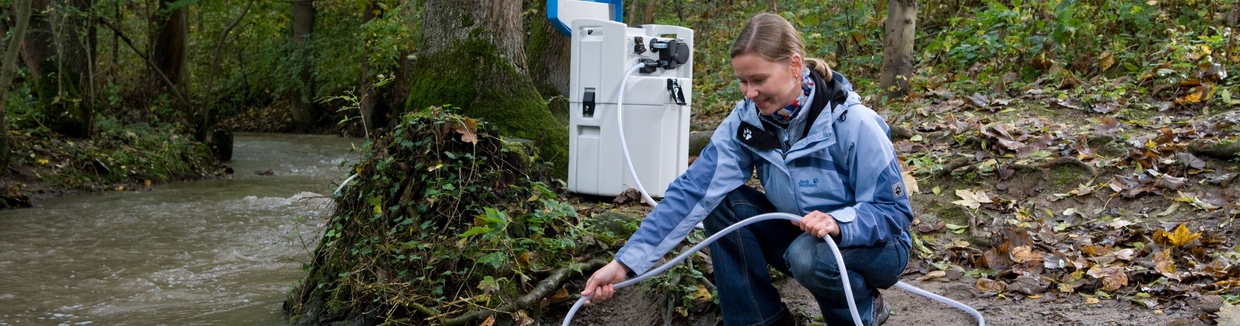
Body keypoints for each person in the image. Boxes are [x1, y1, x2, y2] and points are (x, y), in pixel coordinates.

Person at [580, 12, 913, 326]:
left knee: (810, 257)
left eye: (759, 79)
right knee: (724, 201)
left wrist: (838, 222)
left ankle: (863, 312)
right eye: (742, 81)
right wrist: (624, 264)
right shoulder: (746, 123)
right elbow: (695, 191)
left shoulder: (855, 123)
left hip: (878, 246)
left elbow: (893, 212)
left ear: (795, 66)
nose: (750, 93)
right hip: (803, 236)